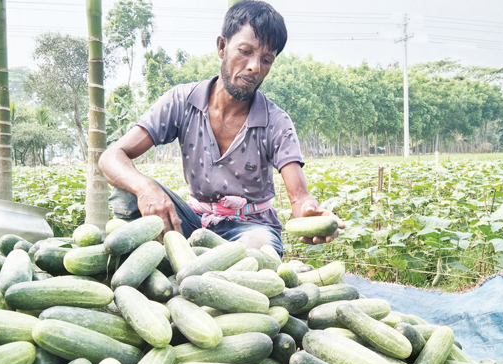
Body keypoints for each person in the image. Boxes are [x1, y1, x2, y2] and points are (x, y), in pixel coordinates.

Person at [97, 0, 343, 256]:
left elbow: (298, 197)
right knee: (127, 195)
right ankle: (179, 262)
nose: (254, 67)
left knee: (259, 251)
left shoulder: (276, 121)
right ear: (222, 46)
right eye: (245, 51)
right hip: (194, 224)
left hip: (250, 230)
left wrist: (308, 212)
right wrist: (145, 189)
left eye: (266, 60)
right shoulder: (182, 101)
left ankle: (188, 265)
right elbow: (111, 157)